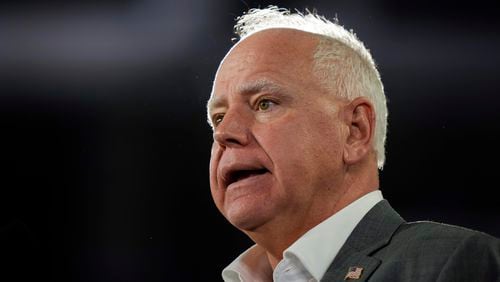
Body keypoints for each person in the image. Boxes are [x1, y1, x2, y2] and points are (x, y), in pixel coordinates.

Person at [206, 6, 500, 282]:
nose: (225, 133)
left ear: (355, 130)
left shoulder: (445, 262)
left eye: (264, 103)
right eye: (218, 117)